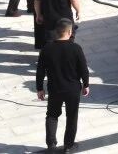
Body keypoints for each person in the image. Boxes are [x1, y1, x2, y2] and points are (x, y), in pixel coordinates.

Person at [37, 17, 90, 153]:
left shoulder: (47, 48)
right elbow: (83, 69)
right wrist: (86, 84)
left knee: (52, 115)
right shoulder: (76, 48)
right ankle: (68, 146)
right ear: (69, 32)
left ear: (57, 31)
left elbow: (40, 70)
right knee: (72, 117)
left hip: (54, 89)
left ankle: (51, 144)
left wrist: (39, 88)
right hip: (72, 89)